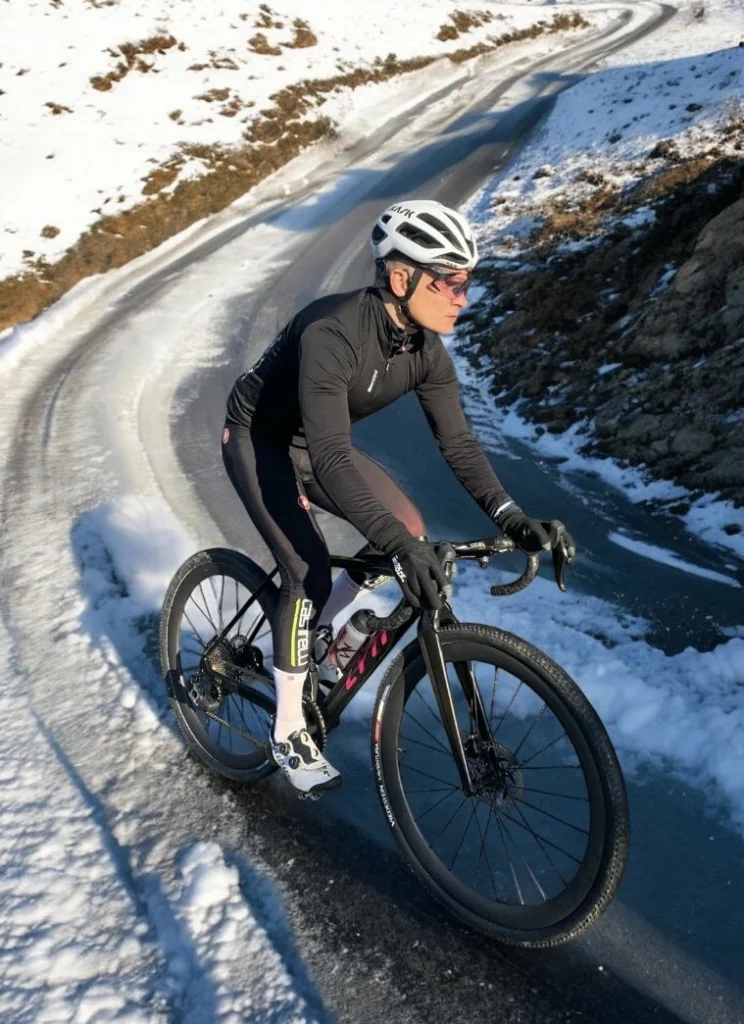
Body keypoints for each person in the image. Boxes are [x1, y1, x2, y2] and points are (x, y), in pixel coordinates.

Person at [221, 199, 575, 796]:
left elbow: (458, 444)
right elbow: (332, 459)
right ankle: (288, 730)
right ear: (401, 276)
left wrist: (513, 518)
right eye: (450, 282)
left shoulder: (425, 351)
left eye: (467, 282)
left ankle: (320, 638)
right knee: (307, 571)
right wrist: (395, 545)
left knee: (408, 529)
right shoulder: (331, 332)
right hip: (261, 439)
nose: (463, 297)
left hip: (317, 444)